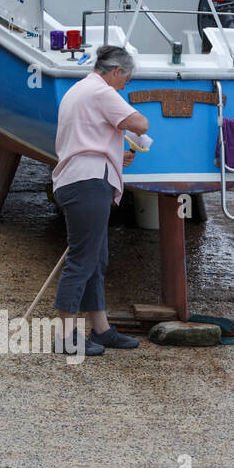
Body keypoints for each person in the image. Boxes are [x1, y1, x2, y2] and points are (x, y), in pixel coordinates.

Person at [51, 45, 149, 356]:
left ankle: (101, 328)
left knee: (95, 259)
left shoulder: (77, 90)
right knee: (81, 261)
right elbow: (141, 124)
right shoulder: (102, 92)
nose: (126, 86)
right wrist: (129, 132)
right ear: (117, 71)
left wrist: (117, 154)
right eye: (127, 79)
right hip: (88, 182)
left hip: (80, 177)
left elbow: (86, 138)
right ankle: (65, 338)